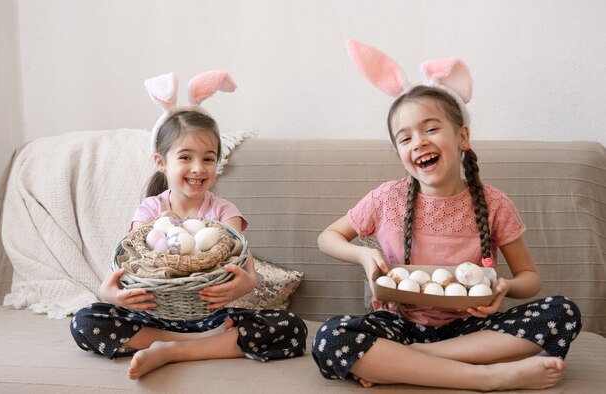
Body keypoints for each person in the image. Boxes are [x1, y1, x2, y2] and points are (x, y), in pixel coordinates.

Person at [311, 40, 582, 391]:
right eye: (404, 138)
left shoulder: (494, 204)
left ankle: (408, 362)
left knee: (563, 312)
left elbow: (529, 278)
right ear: (399, 153)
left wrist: (504, 288)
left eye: (430, 128)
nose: (418, 142)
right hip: (399, 326)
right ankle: (486, 377)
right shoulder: (387, 198)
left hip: (471, 329)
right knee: (330, 338)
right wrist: (363, 254)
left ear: (462, 137)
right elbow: (327, 237)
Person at [71, 71, 307, 380]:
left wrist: (241, 286)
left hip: (213, 318)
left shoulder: (224, 212)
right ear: (161, 162)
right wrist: (110, 293)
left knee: (291, 327)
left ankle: (172, 351)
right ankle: (189, 346)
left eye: (208, 159)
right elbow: (128, 267)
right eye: (186, 157)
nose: (198, 168)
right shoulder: (150, 209)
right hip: (153, 316)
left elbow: (247, 274)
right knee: (85, 321)